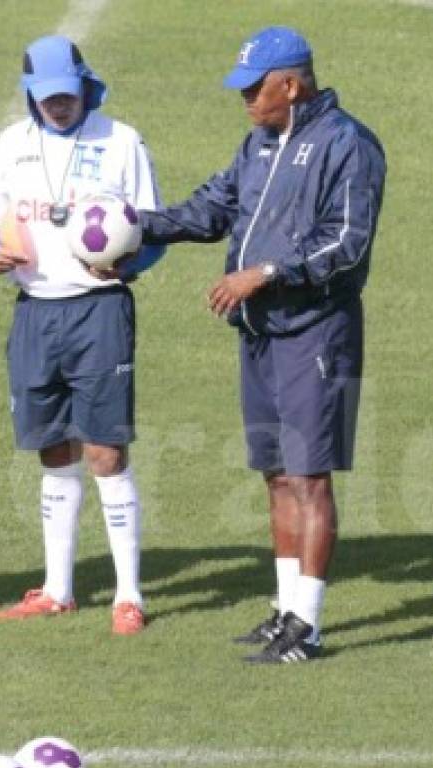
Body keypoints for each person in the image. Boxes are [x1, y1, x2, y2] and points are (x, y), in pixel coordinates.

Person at [138, 27, 386, 663]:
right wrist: (130, 227)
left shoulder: (348, 145)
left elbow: (347, 244)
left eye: (254, 89)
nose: (245, 100)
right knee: (276, 477)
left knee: (309, 479)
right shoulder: (258, 144)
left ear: (291, 84)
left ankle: (310, 626)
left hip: (316, 334)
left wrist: (266, 274)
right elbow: (210, 209)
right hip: (261, 334)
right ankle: (284, 612)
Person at [0, 35, 165, 635]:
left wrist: (127, 265)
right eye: (46, 97)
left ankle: (128, 595)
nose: (58, 106)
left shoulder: (121, 141)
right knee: (54, 449)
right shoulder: (12, 145)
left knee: (105, 449)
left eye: (66, 94)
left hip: (98, 311)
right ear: (31, 95)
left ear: (86, 84)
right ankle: (58, 589)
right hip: (35, 312)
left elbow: (153, 231)